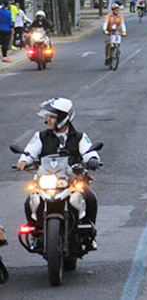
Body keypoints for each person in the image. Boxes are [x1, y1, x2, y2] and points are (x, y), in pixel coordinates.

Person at [16, 98, 101, 249]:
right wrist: (23, 161)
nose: (48, 120)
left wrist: (92, 159)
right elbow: (29, 152)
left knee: (90, 197)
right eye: (48, 116)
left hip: (72, 180)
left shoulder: (79, 137)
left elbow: (90, 152)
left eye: (52, 117)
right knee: (29, 201)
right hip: (46, 179)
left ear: (63, 118)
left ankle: (89, 235)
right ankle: (36, 235)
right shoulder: (41, 136)